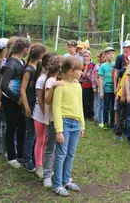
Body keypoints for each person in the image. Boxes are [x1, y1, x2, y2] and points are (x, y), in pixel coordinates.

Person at [52, 56, 85, 197]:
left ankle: (66, 180)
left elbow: (80, 106)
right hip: (64, 124)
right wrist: (59, 130)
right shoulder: (60, 87)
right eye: (80, 70)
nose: (81, 73)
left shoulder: (78, 85)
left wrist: (82, 125)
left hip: (76, 124)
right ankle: (57, 184)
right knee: (61, 154)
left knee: (70, 154)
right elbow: (56, 109)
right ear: (71, 71)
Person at [1, 37, 31, 169]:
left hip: (19, 101)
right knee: (11, 127)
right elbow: (4, 85)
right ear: (24, 49)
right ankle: (11, 156)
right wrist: (16, 99)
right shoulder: (11, 63)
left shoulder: (21, 61)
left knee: (22, 127)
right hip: (10, 101)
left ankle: (20, 154)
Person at [20, 44, 47, 173]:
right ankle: (27, 160)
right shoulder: (29, 70)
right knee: (31, 135)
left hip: (35, 106)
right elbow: (23, 90)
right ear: (41, 56)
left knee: (37, 136)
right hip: (29, 107)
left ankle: (34, 158)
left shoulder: (38, 69)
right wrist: (26, 108)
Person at [32, 52, 57, 178]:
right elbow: (41, 101)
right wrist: (45, 115)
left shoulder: (51, 78)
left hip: (49, 115)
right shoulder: (42, 79)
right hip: (40, 115)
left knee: (49, 141)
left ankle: (48, 165)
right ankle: (39, 166)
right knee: (41, 140)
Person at [43, 55, 65, 188]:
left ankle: (57, 173)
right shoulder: (51, 81)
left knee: (60, 150)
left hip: (63, 120)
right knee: (50, 148)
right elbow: (47, 99)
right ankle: (47, 175)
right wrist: (53, 87)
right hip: (52, 119)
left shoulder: (65, 81)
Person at [114, 52, 130, 141]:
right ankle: (118, 133)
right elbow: (123, 83)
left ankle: (124, 131)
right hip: (124, 95)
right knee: (122, 115)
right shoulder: (128, 69)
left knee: (125, 115)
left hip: (124, 94)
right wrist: (122, 95)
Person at [98, 47, 115, 129]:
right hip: (106, 89)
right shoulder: (103, 66)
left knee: (113, 107)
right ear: (105, 55)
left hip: (114, 89)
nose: (111, 55)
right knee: (106, 107)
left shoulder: (115, 65)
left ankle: (112, 123)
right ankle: (105, 123)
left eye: (112, 53)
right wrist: (101, 91)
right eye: (109, 53)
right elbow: (100, 78)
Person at [92, 50, 105, 127]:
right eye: (102, 57)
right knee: (98, 103)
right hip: (99, 86)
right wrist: (95, 86)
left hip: (105, 86)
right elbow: (95, 78)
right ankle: (98, 118)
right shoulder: (98, 66)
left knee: (102, 104)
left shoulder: (107, 65)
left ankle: (101, 118)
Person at [81, 50, 95, 120]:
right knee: (85, 101)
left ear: (90, 57)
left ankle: (91, 114)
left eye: (87, 56)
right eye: (84, 56)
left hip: (92, 86)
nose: (86, 58)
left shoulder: (93, 65)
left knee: (92, 100)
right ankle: (85, 114)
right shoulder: (82, 65)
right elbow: (83, 75)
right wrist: (86, 66)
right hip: (85, 85)